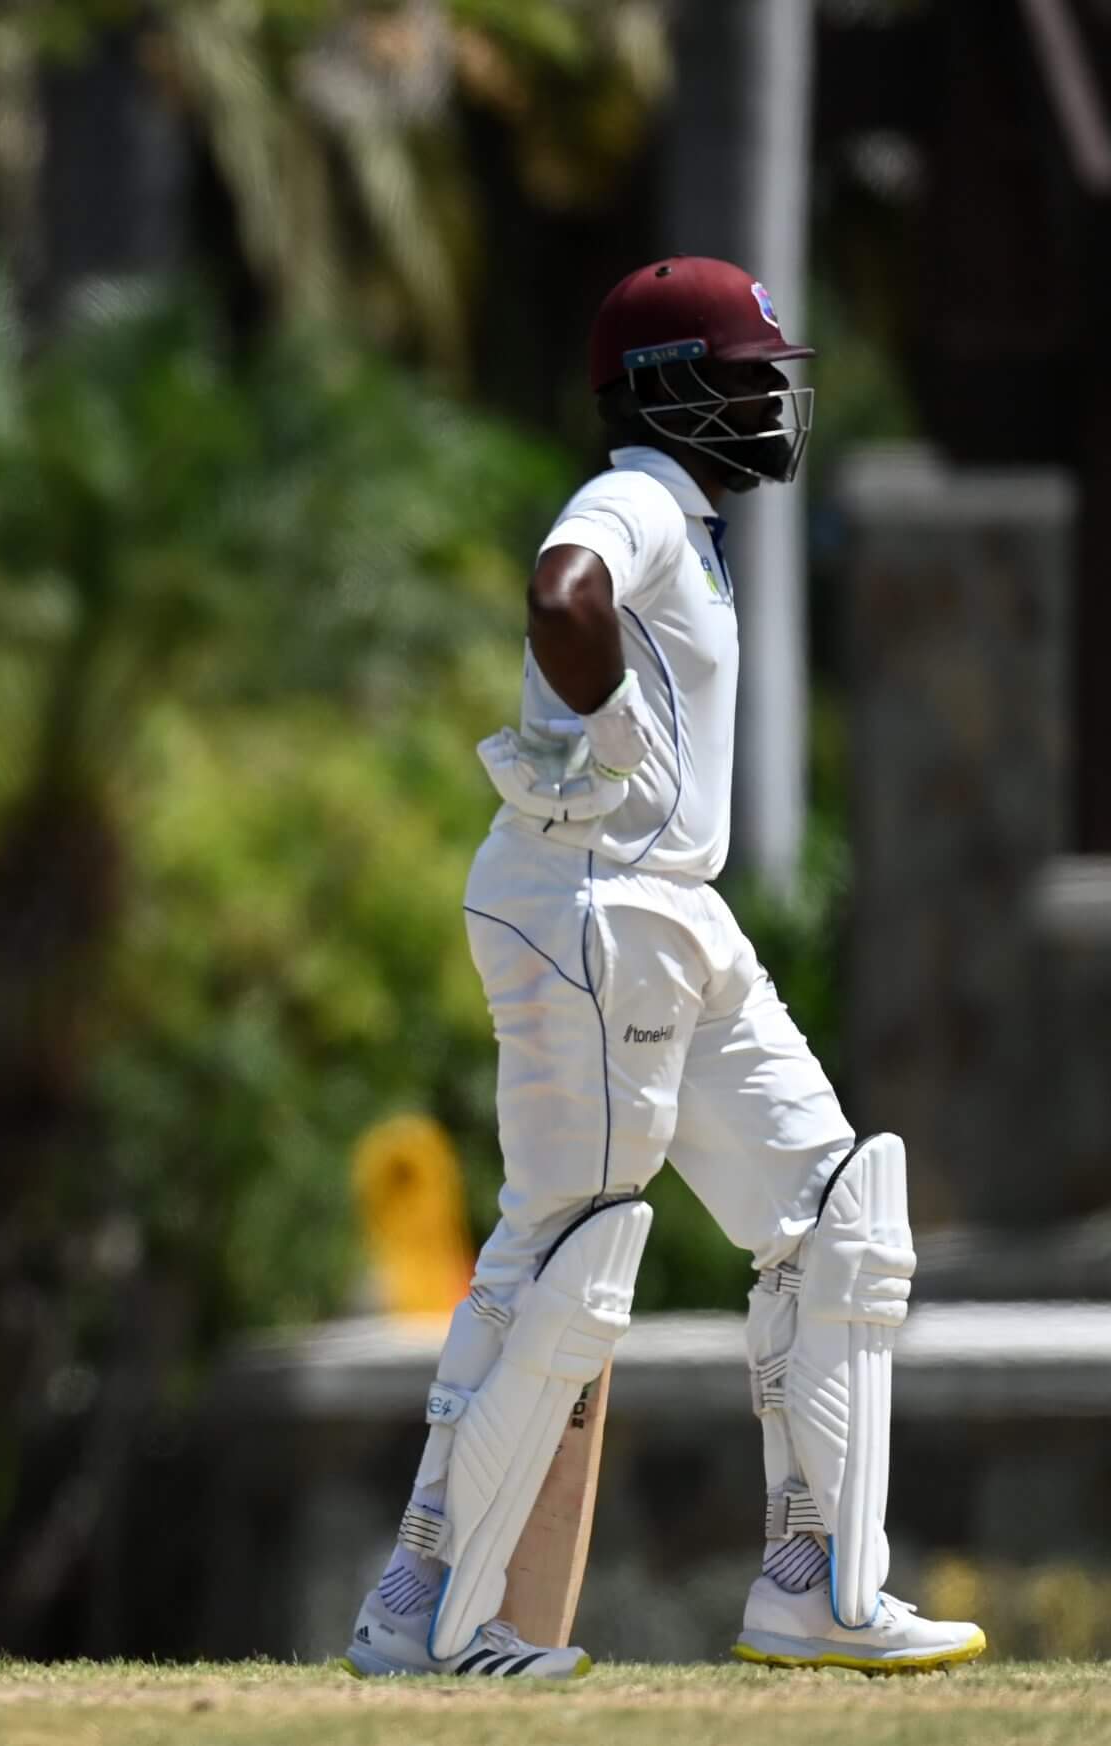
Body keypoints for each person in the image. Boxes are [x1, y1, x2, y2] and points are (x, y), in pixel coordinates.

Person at [338, 257, 988, 1678]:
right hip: (588, 904)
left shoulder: (684, 521)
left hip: (665, 910)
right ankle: (421, 1611)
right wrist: (610, 705)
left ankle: (817, 1586)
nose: (771, 398)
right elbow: (561, 593)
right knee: (565, 1255)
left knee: (837, 1216)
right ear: (669, 387)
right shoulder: (634, 498)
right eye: (748, 372)